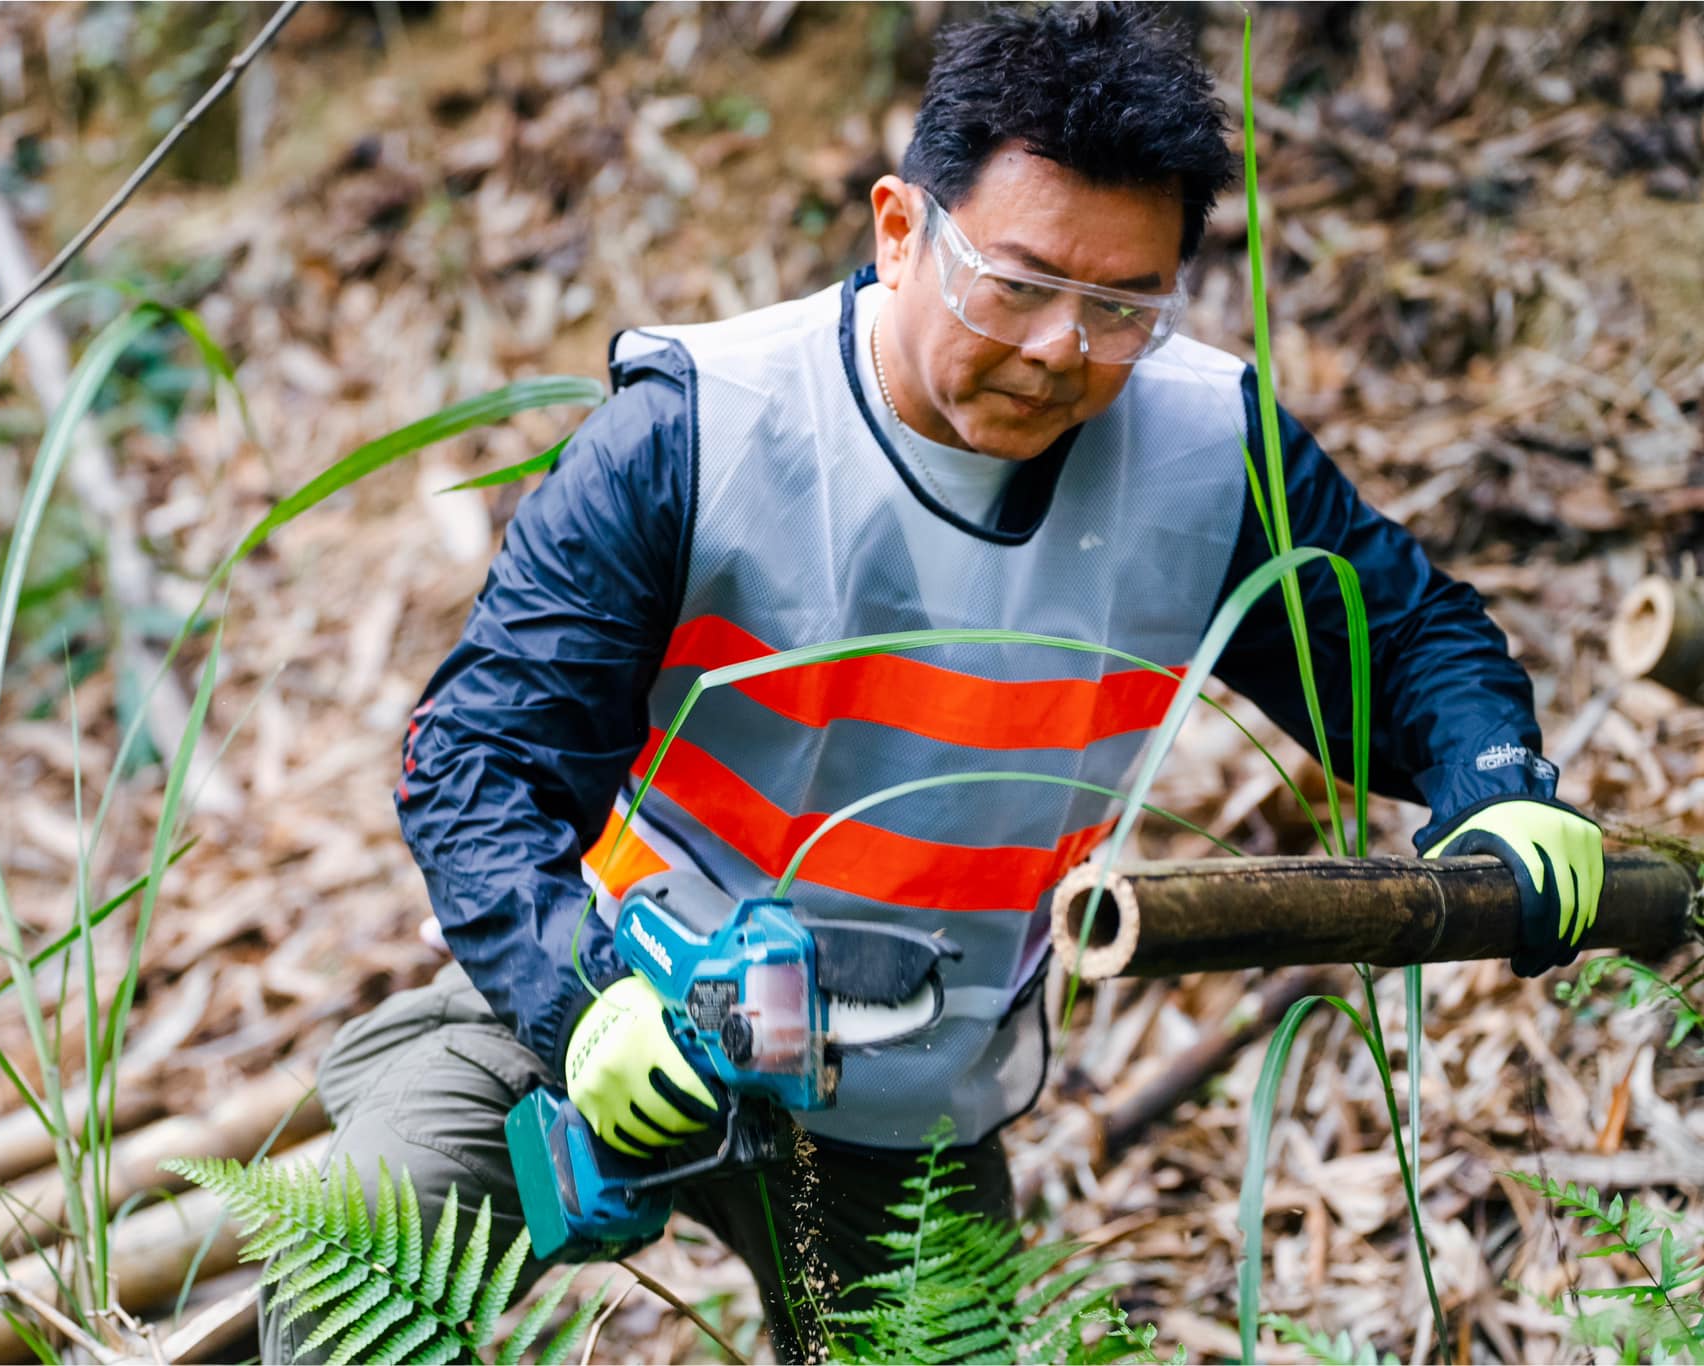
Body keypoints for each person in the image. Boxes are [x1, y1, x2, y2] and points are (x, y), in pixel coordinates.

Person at [264, 4, 1605, 1359]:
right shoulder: (699, 426)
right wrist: (579, 996)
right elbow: (476, 760)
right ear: (901, 228)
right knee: (356, 1265)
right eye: (1013, 286)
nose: (1057, 351)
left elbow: (1412, 640)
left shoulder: (1206, 451)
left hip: (910, 1098)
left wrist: (1498, 784)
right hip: (623, 992)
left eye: (1122, 306)